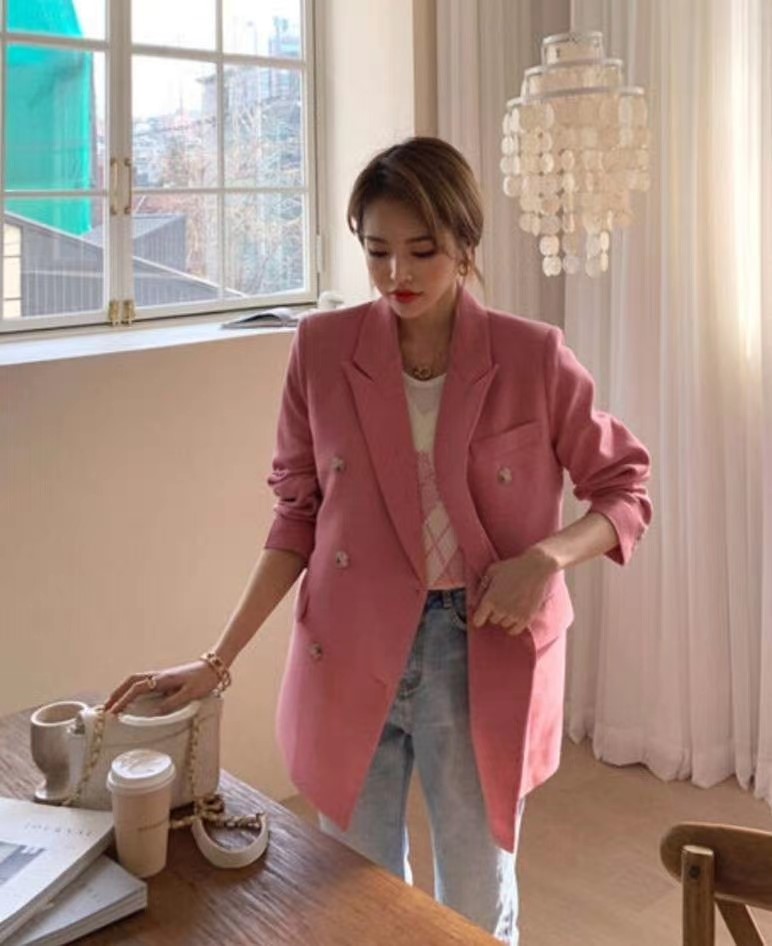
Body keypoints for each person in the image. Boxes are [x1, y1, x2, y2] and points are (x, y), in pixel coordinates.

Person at [106, 136, 652, 944]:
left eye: (422, 250)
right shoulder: (322, 350)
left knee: (475, 901)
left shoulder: (531, 356)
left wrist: (546, 559)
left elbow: (624, 488)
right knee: (355, 897)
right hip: (350, 647)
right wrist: (217, 661)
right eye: (377, 250)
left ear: (465, 244)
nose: (399, 273)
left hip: (480, 650)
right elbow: (296, 516)